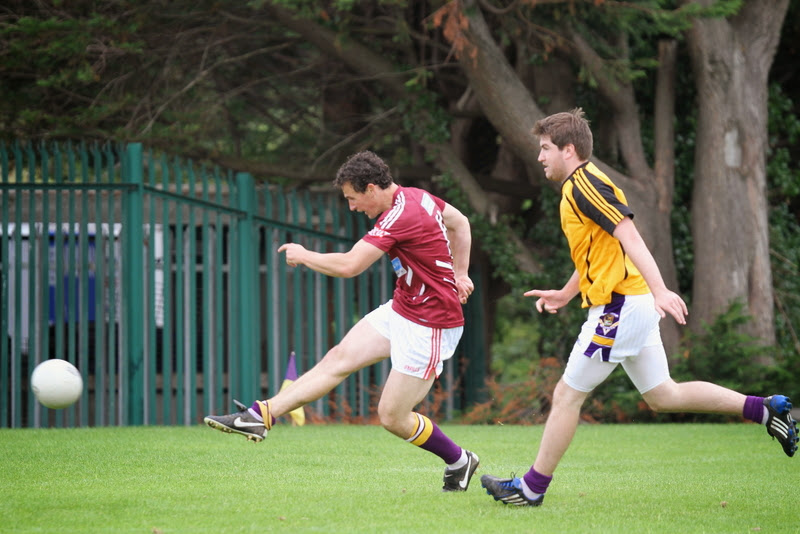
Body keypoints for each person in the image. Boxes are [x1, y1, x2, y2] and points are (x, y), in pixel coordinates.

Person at [480, 108, 798, 507]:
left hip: (621, 307)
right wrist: (565, 292)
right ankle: (766, 410)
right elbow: (601, 249)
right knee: (665, 395)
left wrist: (661, 288)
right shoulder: (578, 186)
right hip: (631, 303)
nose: (540, 157)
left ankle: (531, 490)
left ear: (569, 150)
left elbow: (628, 234)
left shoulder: (584, 184)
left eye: (545, 149)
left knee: (565, 396)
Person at [205, 150, 481, 492]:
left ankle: (459, 460)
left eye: (352, 198)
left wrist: (304, 255)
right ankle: (260, 416)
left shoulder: (400, 214)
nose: (352, 207)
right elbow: (460, 222)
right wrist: (460, 272)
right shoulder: (417, 197)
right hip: (404, 308)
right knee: (338, 358)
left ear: (370, 189)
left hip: (432, 323)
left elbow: (351, 266)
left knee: (392, 417)